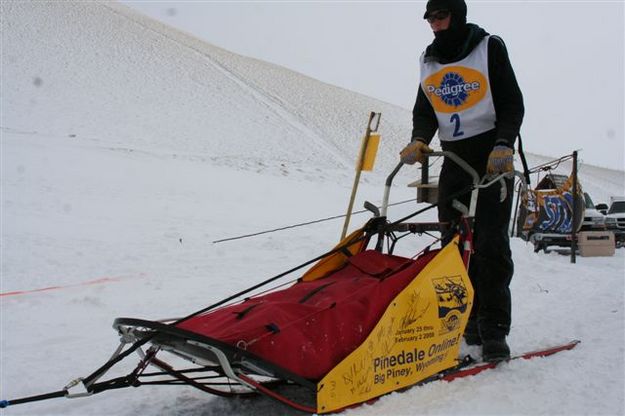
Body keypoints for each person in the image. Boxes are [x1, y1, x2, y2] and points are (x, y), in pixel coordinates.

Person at [400, 0, 524, 362]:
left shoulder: (488, 48)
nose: (435, 25)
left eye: (441, 17)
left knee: (490, 244)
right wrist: (420, 138)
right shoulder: (429, 60)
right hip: (453, 158)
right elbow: (424, 109)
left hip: (491, 157)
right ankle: (466, 317)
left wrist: (504, 143)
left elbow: (512, 102)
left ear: (457, 16)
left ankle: (494, 328)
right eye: (430, 19)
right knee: (453, 244)